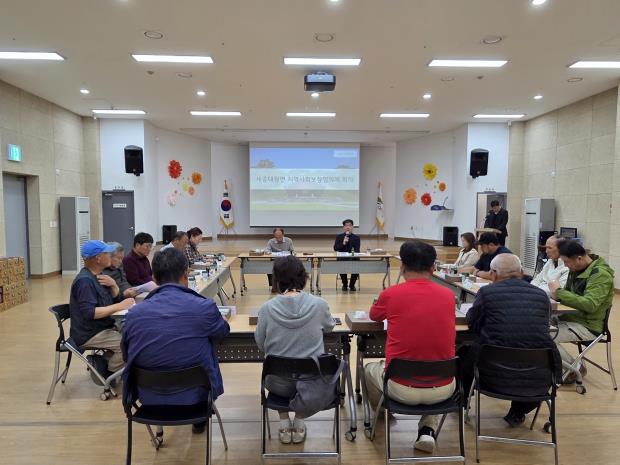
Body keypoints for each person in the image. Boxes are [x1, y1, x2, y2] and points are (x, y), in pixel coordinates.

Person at [121, 248, 230, 434]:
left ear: (154, 278)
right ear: (186, 274)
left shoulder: (134, 314)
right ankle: (199, 420)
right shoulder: (204, 307)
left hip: (148, 396)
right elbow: (222, 333)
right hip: (196, 395)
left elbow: (126, 354)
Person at [365, 240, 455, 453]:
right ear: (433, 267)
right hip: (443, 389)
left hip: (400, 388)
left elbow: (374, 315)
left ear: (402, 266)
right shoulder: (448, 295)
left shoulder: (391, 293)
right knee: (433, 365)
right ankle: (427, 430)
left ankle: (384, 413)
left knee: (369, 369)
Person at [459, 254, 562, 427]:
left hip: (489, 375)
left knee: (463, 352)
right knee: (528, 352)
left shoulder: (487, 293)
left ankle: (462, 403)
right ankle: (518, 411)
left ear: (493, 274)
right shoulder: (541, 296)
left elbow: (473, 323)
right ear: (521, 272)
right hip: (538, 379)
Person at [255, 255, 335, 445]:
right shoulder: (319, 304)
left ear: (276, 280)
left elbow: (261, 344)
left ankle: (284, 422)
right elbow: (330, 327)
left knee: (277, 363)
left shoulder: (266, 308)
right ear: (303, 278)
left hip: (277, 384)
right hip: (312, 383)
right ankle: (299, 421)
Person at [548, 240, 615, 382]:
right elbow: (568, 296)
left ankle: (574, 369)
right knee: (534, 325)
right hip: (572, 318)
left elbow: (590, 304)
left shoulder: (601, 275)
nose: (565, 265)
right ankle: (551, 365)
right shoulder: (576, 269)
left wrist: (559, 293)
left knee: (545, 335)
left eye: (566, 262)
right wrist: (555, 295)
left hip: (588, 326)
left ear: (579, 258)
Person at [69, 240, 135, 374]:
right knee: (127, 345)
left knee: (134, 336)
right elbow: (90, 313)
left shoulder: (99, 277)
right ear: (98, 258)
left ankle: (104, 362)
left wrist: (114, 286)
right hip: (90, 333)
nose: (110, 255)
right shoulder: (85, 282)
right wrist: (120, 305)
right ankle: (108, 374)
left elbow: (108, 301)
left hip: (102, 326)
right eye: (107, 253)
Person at [333, 219, 361, 291]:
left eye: (350, 225)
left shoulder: (356, 238)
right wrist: (343, 243)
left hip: (353, 258)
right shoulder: (339, 237)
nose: (348, 227)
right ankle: (344, 284)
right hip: (342, 259)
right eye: (346, 225)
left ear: (352, 227)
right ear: (343, 227)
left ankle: (352, 285)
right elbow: (335, 248)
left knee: (356, 263)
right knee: (341, 264)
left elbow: (357, 250)